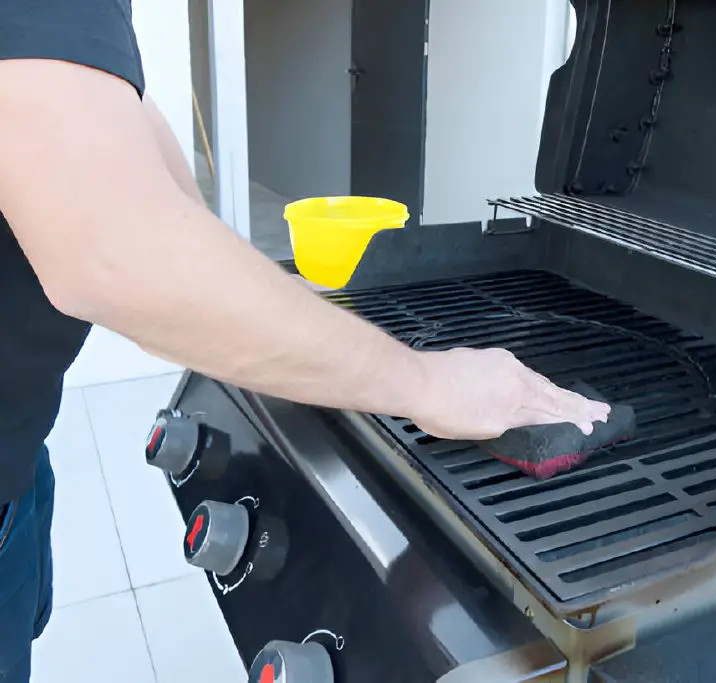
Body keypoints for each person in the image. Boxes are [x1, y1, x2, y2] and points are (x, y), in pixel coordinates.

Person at [0, 2, 610, 680]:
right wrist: (429, 383)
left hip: (17, 462)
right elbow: (117, 252)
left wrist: (252, 301)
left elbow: (140, 168)